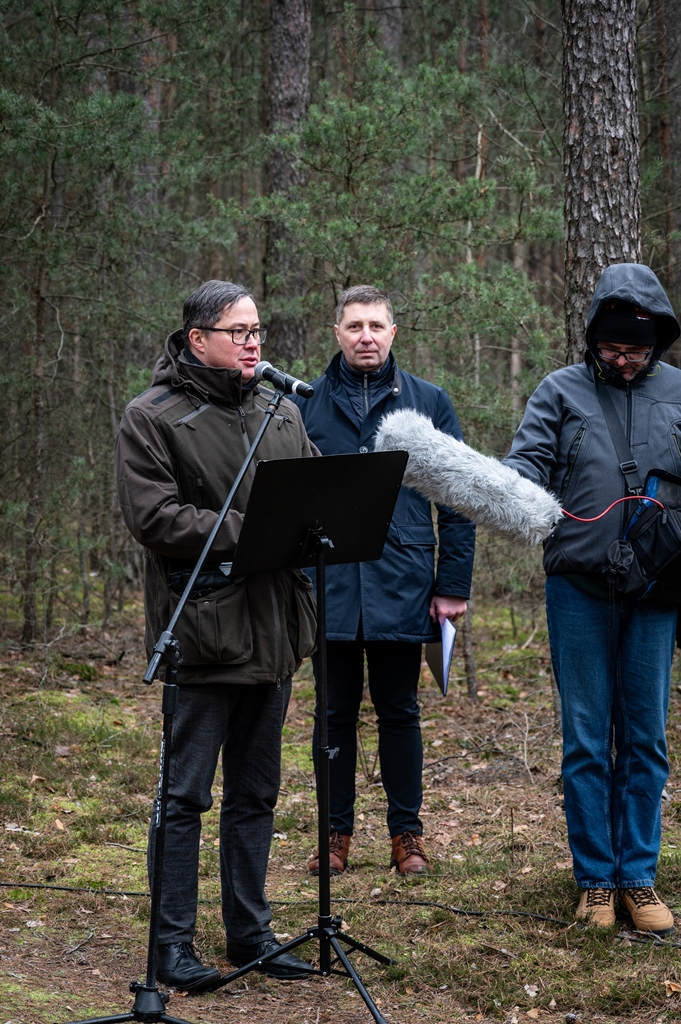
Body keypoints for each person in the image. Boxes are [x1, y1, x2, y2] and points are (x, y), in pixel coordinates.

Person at [116, 281, 319, 991]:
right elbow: (156, 519)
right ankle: (170, 948)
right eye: (238, 331)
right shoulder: (154, 416)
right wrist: (255, 530)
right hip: (204, 632)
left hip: (276, 632)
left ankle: (250, 934)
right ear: (198, 338)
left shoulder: (280, 409)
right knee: (185, 796)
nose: (254, 342)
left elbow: (315, 495)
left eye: (257, 329)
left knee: (256, 794)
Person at [504, 263, 681, 934]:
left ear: (656, 341)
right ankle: (594, 882)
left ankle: (638, 877)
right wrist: (521, 496)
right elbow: (524, 471)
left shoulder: (676, 392)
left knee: (645, 737)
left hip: (658, 593)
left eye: (636, 348)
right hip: (577, 588)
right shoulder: (558, 391)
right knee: (584, 737)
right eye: (611, 348)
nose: (624, 359)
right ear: (592, 340)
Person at [291, 285, 475, 876]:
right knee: (332, 713)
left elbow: (458, 499)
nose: (365, 336)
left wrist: (452, 585)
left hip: (405, 582)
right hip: (329, 584)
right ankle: (335, 835)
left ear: (394, 333)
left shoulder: (428, 403)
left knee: (399, 710)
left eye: (376, 325)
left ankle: (407, 836)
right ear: (337, 334)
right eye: (354, 326)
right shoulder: (306, 406)